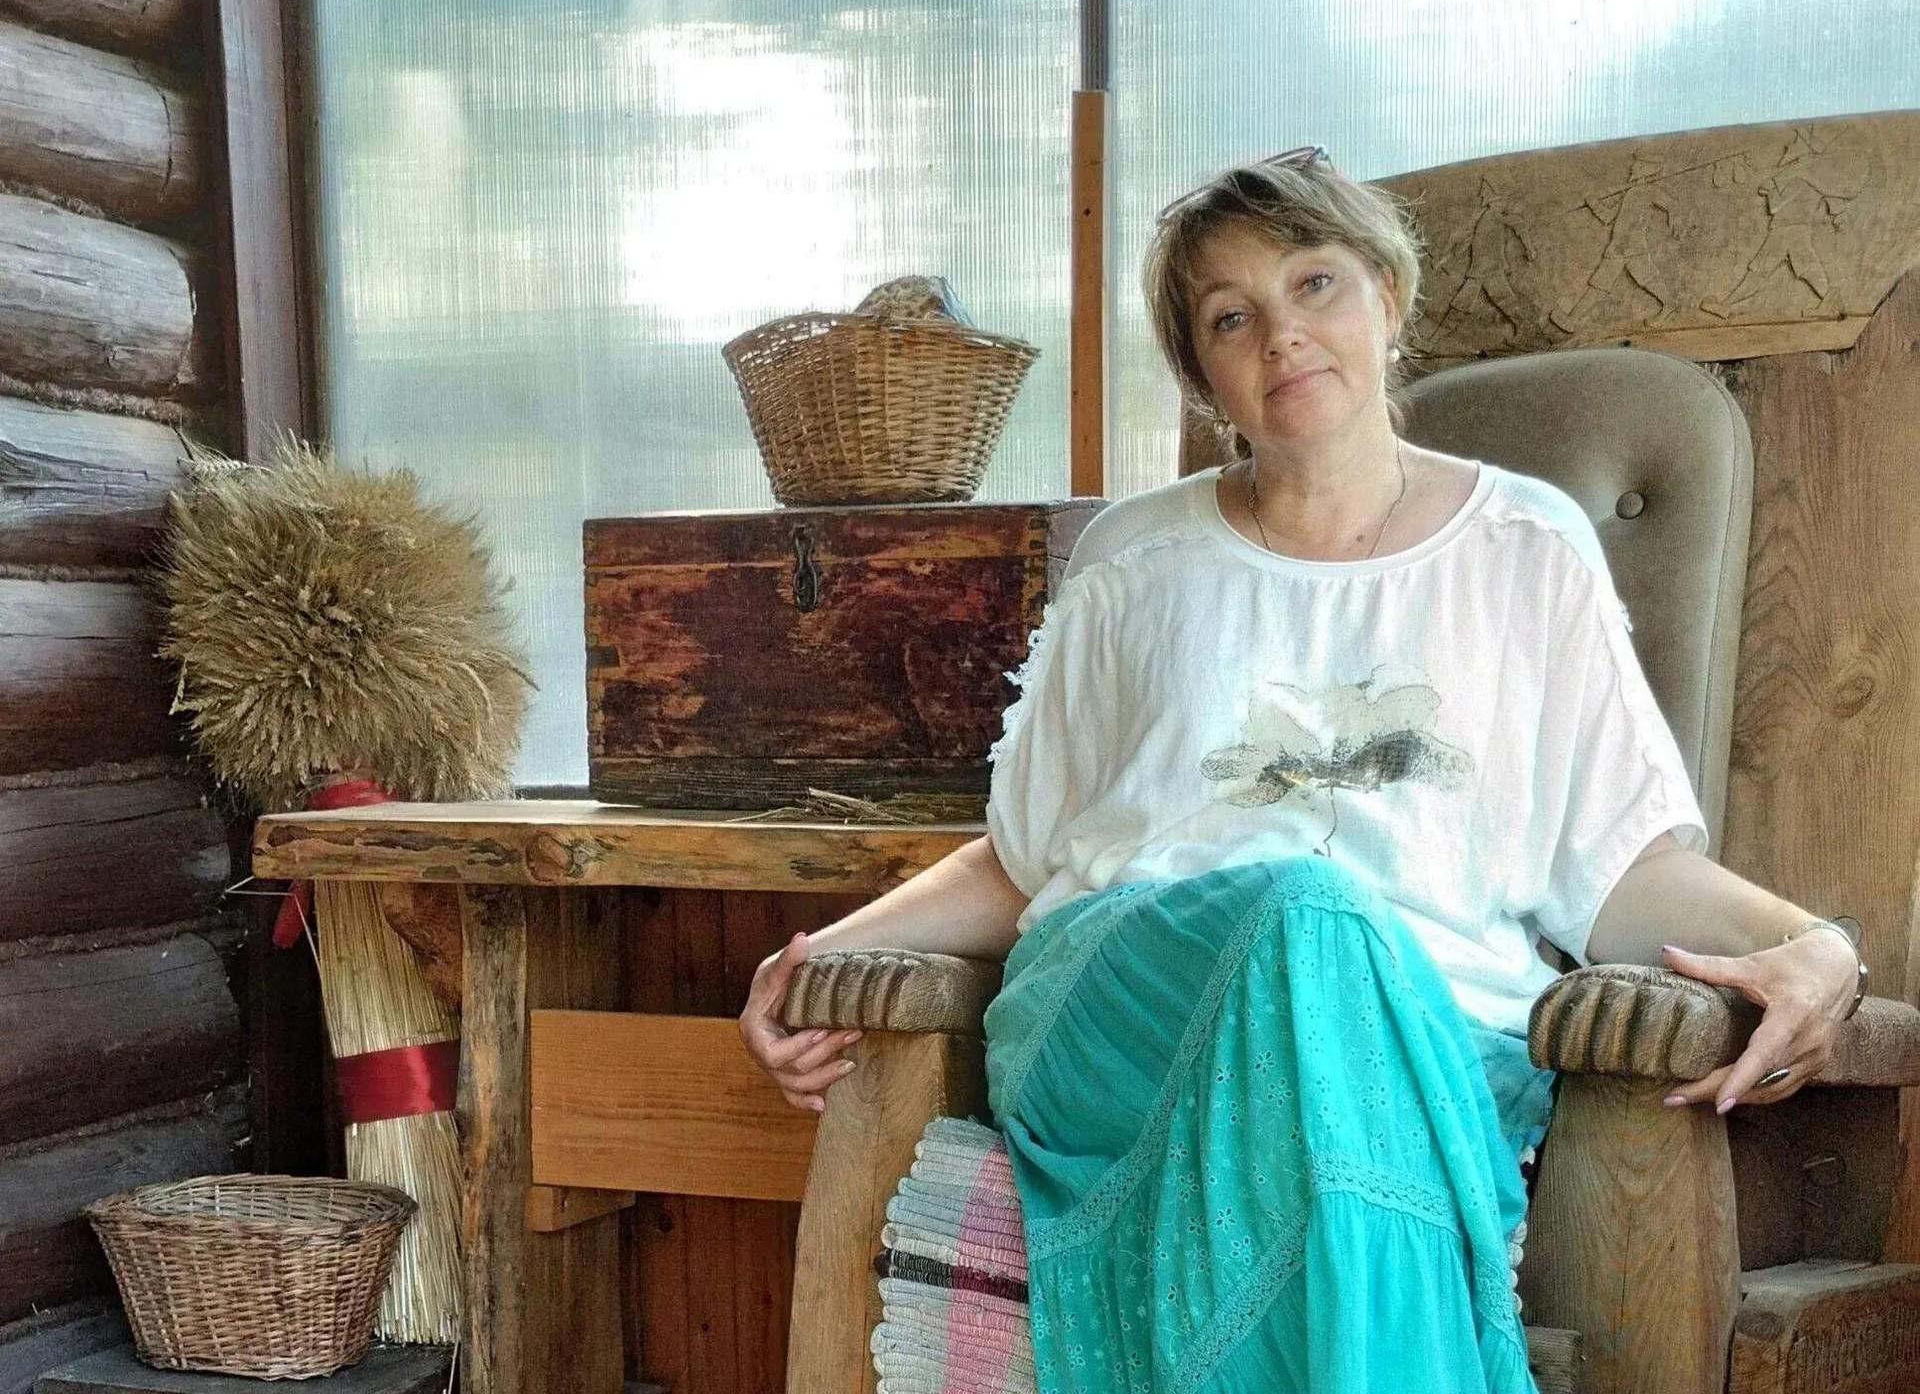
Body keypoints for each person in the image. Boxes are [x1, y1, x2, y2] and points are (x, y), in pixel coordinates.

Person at [739, 149, 1864, 1393]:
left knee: (1323, 969)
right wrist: (817, 955)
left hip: (1420, 1050)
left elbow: (1618, 870)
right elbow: (1029, 858)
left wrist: (1816, 945)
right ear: (1205, 373)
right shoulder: (1133, 559)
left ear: (1388, 294)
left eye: (1314, 283)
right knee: (1307, 910)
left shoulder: (1527, 548)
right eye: (1232, 317)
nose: (1281, 334)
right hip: (1125, 1020)